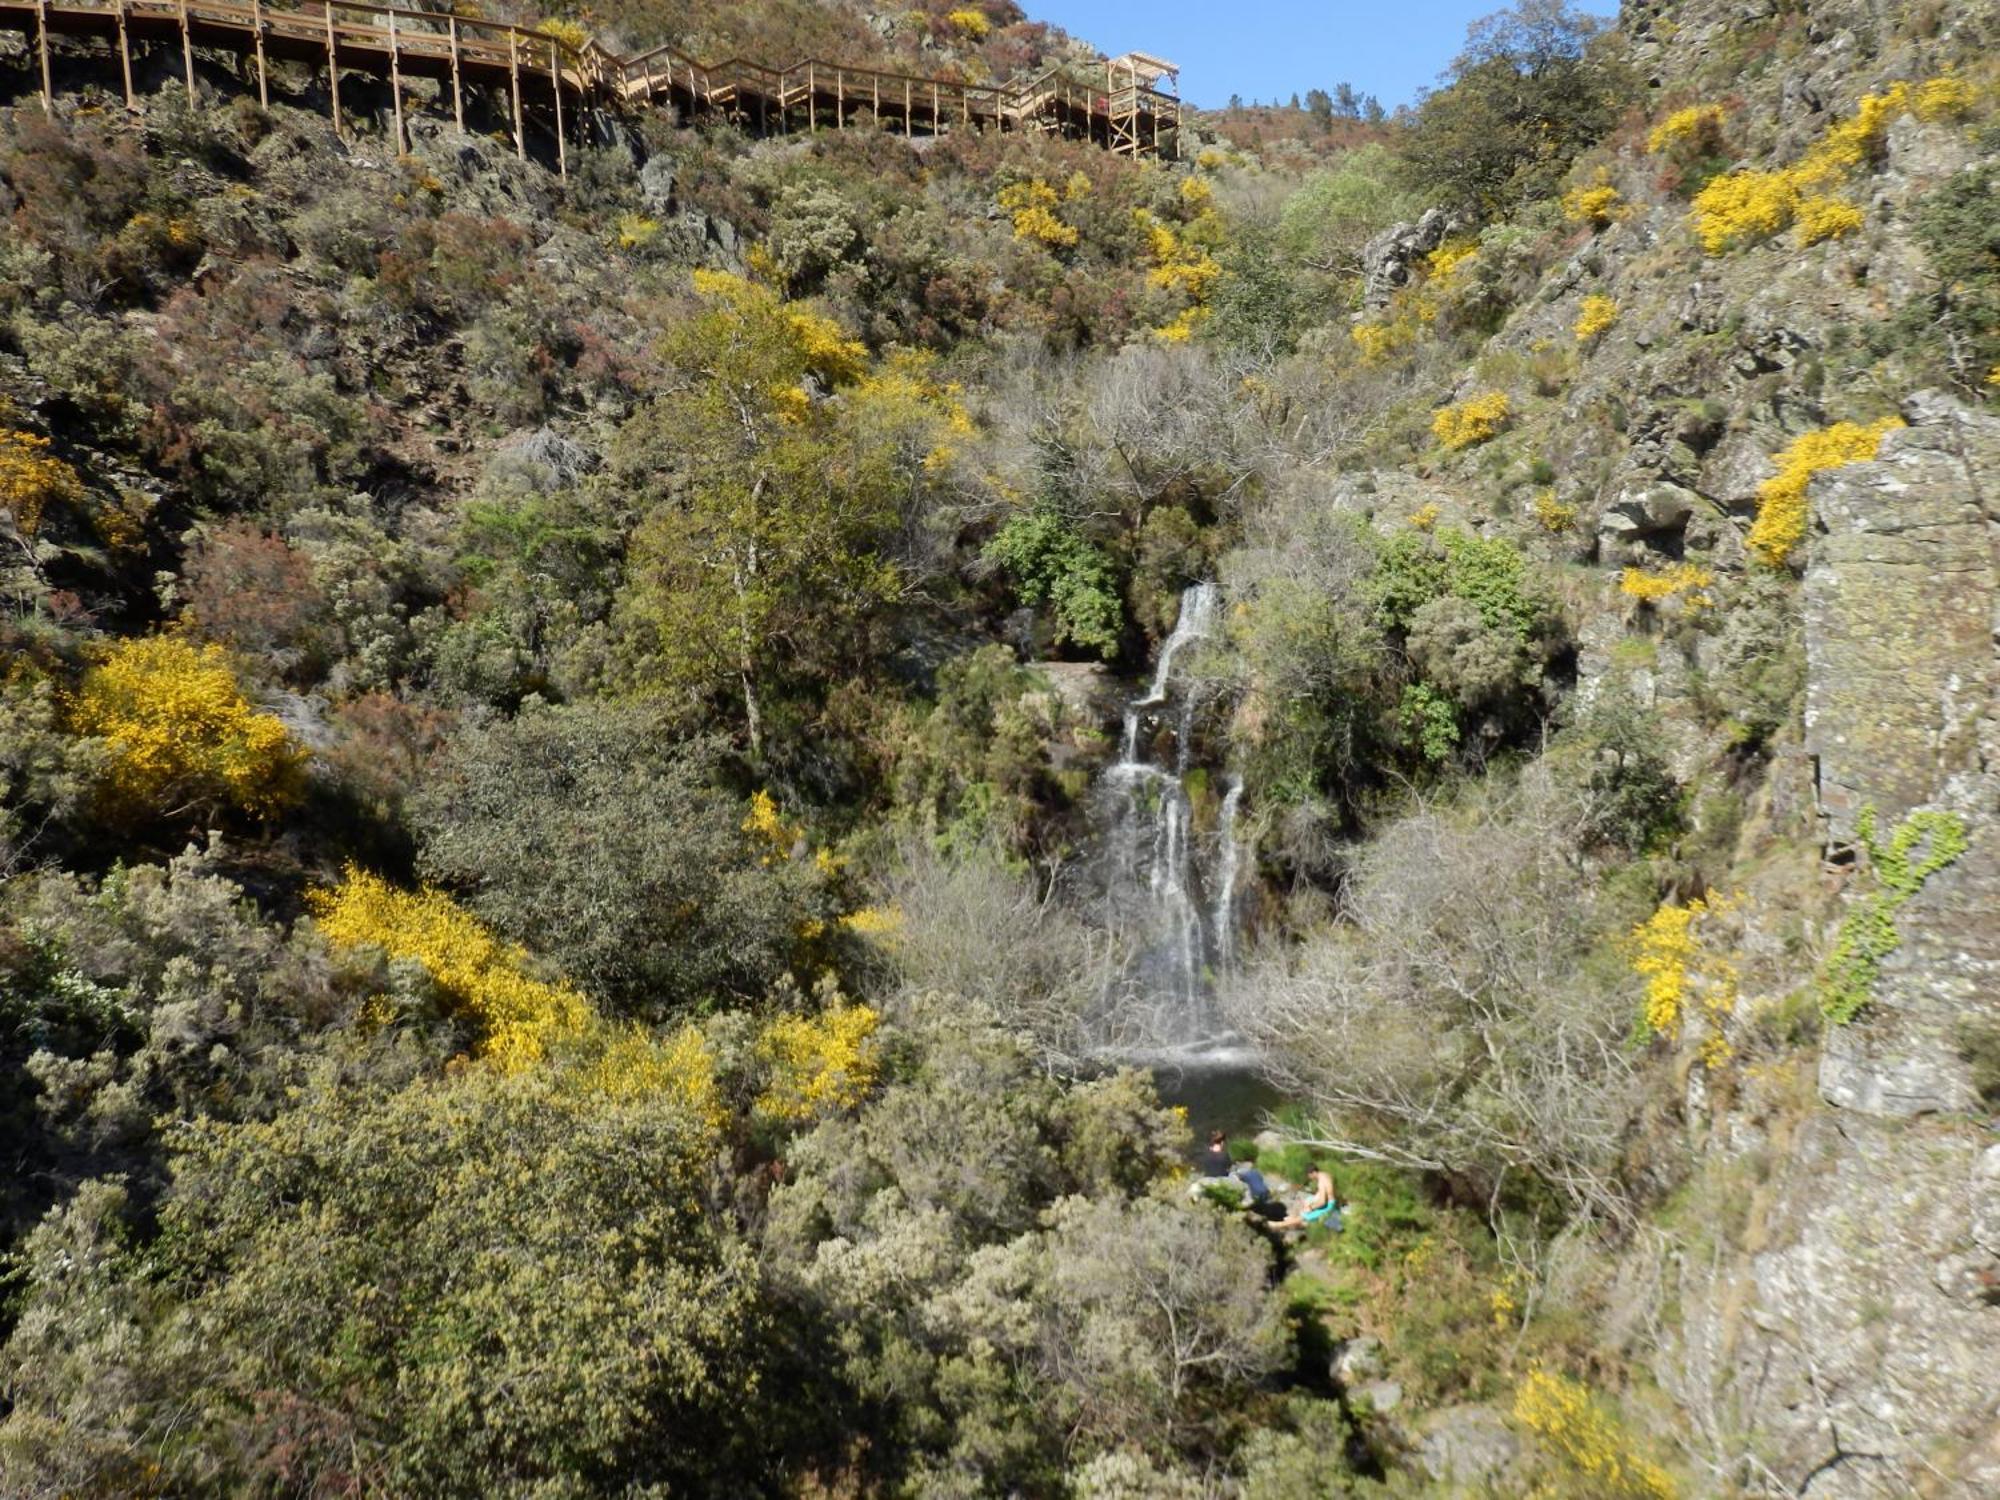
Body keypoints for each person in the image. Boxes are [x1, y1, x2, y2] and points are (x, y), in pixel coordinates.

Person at [1277, 1168, 1342, 1232]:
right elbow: (1325, 1193)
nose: (1310, 1178)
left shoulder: (1321, 1182)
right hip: (1330, 1201)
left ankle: (1282, 1224)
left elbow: (1322, 1202)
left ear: (1313, 1173)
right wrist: (1311, 1202)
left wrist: (1310, 1208)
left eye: (1309, 1176)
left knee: (1305, 1215)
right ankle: (1293, 1218)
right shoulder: (1325, 1175)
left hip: (1329, 1205)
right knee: (1307, 1201)